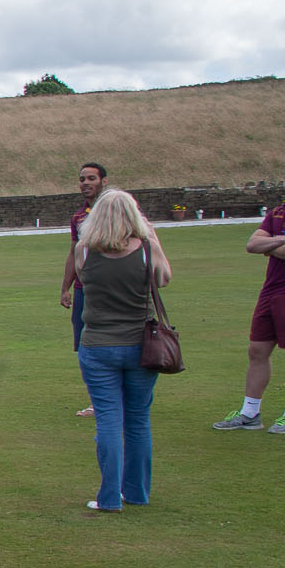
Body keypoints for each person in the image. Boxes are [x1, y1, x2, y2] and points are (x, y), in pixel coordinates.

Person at [74, 190, 172, 510]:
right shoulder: (145, 249)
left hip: (98, 345)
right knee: (138, 421)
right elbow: (164, 278)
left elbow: (84, 278)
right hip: (141, 345)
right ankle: (137, 492)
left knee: (108, 422)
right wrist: (152, 237)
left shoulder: (84, 250)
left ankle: (109, 497)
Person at [213, 158, 285, 434]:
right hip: (270, 291)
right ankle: (250, 413)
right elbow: (252, 244)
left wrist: (271, 245)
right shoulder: (278, 212)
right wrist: (283, 240)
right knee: (257, 351)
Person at [58, 163, 109, 418]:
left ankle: (114, 398)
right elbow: (73, 252)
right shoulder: (78, 217)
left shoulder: (114, 212)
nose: (85, 183)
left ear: (103, 181)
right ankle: (96, 400)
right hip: (83, 288)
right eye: (82, 179)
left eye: (91, 178)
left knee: (112, 341)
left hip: (110, 288)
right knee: (84, 345)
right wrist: (65, 287)